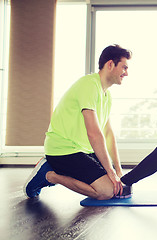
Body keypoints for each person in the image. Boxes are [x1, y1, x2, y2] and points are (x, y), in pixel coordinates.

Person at [24, 44, 132, 200]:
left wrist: (118, 171)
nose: (127, 73)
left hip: (82, 151)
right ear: (110, 64)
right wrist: (110, 171)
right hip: (63, 149)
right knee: (106, 191)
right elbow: (94, 133)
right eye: (124, 67)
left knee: (115, 183)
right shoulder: (89, 85)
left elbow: (108, 134)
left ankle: (57, 171)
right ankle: (49, 174)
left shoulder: (106, 96)